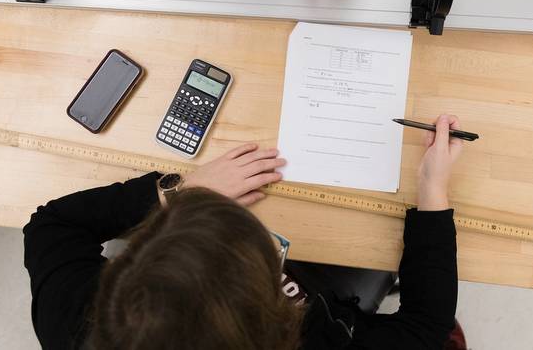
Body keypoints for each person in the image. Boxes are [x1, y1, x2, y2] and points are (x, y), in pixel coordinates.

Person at [23, 115, 464, 349]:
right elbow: (425, 327)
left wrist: (179, 191)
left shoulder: (74, 320)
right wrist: (433, 189)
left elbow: (49, 225)